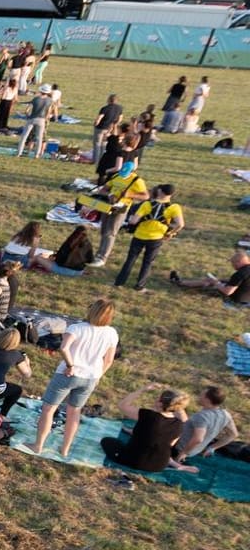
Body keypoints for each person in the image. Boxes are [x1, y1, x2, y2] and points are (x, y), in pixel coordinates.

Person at [30, 299, 120, 459]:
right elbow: (109, 360)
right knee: (74, 412)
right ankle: (64, 450)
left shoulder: (76, 328)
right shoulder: (112, 333)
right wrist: (99, 375)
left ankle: (38, 445)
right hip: (90, 378)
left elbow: (63, 348)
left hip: (67, 375)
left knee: (49, 409)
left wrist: (70, 365)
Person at [101, 389, 194, 473]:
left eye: (158, 398)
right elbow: (168, 445)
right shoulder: (179, 425)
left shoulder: (146, 415)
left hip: (132, 460)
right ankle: (174, 464)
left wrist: (142, 389)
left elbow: (122, 405)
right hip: (158, 466)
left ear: (160, 403)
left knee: (107, 441)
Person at [113, 184, 183, 290]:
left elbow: (133, 221)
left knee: (130, 259)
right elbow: (180, 224)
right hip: (156, 238)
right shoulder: (174, 207)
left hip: (139, 235)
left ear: (159, 191)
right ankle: (140, 286)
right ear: (172, 194)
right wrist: (170, 233)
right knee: (148, 262)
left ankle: (119, 283)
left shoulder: (147, 204)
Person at [174, 386, 238, 463]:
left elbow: (198, 439)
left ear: (207, 400)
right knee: (179, 411)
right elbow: (233, 434)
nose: (198, 396)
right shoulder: (226, 415)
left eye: (201, 395)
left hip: (178, 449)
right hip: (194, 451)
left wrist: (183, 453)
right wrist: (212, 448)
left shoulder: (202, 416)